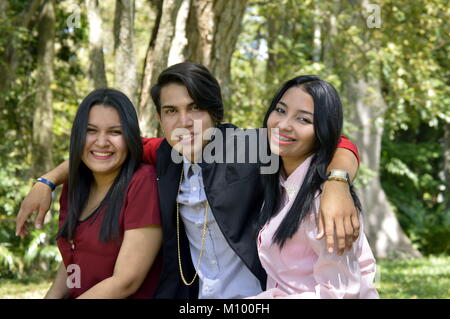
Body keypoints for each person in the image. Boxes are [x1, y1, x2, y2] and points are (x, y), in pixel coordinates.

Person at [17, 62, 360, 299]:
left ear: (214, 112)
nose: (184, 122)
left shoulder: (243, 147)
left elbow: (336, 141)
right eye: (171, 111)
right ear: (161, 118)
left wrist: (337, 183)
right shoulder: (165, 154)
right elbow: (106, 149)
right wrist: (46, 182)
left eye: (195, 108)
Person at [250, 76, 378, 298]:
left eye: (303, 120)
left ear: (322, 131)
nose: (283, 125)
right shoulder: (279, 183)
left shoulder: (323, 201)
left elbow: (340, 293)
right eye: (280, 110)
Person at [44, 89, 162, 299]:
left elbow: (126, 281)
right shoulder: (75, 184)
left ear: (131, 137)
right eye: (91, 130)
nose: (101, 142)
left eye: (115, 132)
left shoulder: (142, 182)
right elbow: (75, 256)